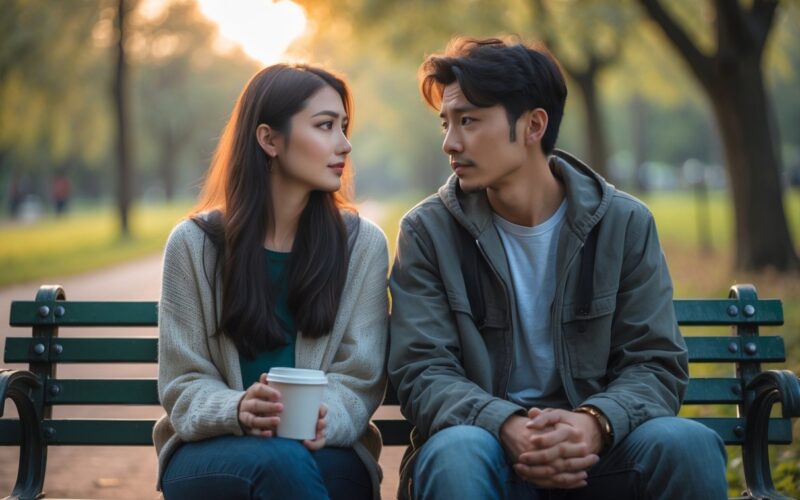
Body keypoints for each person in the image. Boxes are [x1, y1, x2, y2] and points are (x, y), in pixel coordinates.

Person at [388, 37, 728, 500]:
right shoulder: (428, 232)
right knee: (457, 452)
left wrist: (594, 423)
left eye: (468, 120)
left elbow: (654, 362)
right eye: (446, 123)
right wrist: (506, 424)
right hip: (486, 451)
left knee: (688, 445)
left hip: (600, 454)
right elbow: (423, 369)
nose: (451, 142)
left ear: (533, 125)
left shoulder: (624, 224)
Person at [154, 64, 389, 500]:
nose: (344, 144)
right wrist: (238, 408)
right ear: (269, 139)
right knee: (281, 462)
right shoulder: (193, 245)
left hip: (327, 448)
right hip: (211, 450)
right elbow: (183, 382)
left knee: (303, 467)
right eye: (325, 126)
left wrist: (324, 416)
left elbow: (360, 377)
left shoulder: (363, 246)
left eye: (344, 126)